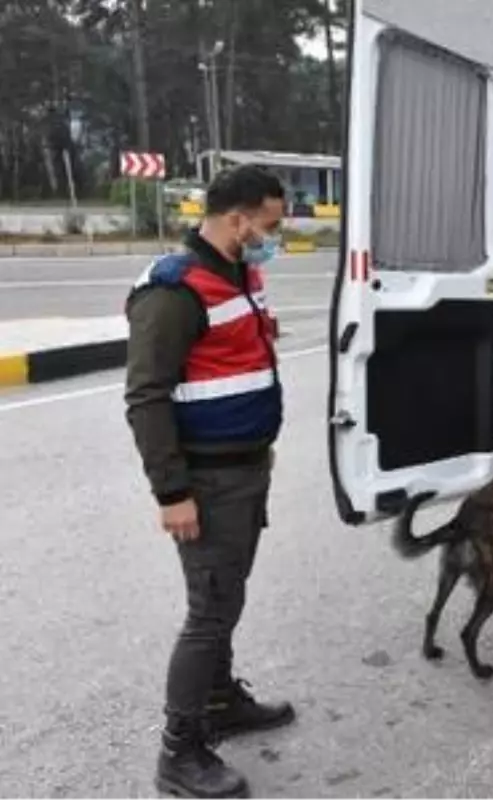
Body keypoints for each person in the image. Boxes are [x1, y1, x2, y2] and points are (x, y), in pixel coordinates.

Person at [124, 165, 295, 798]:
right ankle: (180, 751)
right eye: (270, 225)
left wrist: (261, 448)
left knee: (228, 597)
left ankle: (221, 701)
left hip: (244, 469)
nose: (275, 236)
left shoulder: (240, 274)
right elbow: (146, 396)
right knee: (211, 609)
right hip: (207, 481)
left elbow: (241, 368)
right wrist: (172, 493)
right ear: (237, 219)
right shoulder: (174, 290)